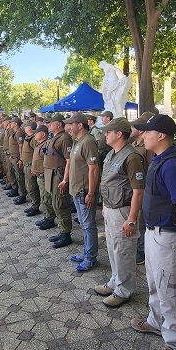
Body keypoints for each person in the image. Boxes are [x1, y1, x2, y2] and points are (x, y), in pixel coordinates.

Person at [129, 114, 176, 350]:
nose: (142, 135)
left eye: (147, 132)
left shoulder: (172, 166)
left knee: (170, 291)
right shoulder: (159, 159)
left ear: (162, 136)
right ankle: (156, 322)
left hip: (169, 236)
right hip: (154, 233)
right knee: (155, 283)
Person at [95, 117, 145, 308]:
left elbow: (138, 191)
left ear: (119, 134)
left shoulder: (131, 157)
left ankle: (124, 290)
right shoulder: (112, 154)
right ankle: (115, 281)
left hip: (124, 210)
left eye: (109, 131)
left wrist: (132, 219)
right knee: (112, 248)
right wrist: (105, 205)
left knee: (123, 250)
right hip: (111, 208)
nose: (105, 135)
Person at [64, 113, 100, 271]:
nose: (68, 127)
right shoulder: (78, 141)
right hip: (77, 190)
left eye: (71, 124)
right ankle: (87, 252)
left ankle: (91, 257)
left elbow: (94, 170)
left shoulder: (88, 141)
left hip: (85, 191)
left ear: (80, 125)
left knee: (88, 225)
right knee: (84, 225)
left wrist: (91, 193)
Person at [37, 113, 74, 247]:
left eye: (51, 123)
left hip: (58, 174)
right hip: (51, 174)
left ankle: (66, 234)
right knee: (54, 202)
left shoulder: (64, 138)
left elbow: (69, 161)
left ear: (58, 124)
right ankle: (61, 229)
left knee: (60, 204)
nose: (48, 125)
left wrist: (65, 180)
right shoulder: (55, 137)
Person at [130, 112, 155, 265]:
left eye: (135, 126)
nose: (131, 128)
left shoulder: (147, 147)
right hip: (134, 189)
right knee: (137, 220)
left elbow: (150, 168)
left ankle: (143, 251)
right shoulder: (134, 145)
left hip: (144, 189)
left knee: (143, 223)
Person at [28, 125, 49, 217]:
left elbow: (48, 162)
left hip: (43, 175)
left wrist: (40, 171)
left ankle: (48, 217)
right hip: (38, 175)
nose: (34, 135)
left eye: (36, 133)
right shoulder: (39, 144)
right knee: (42, 195)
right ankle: (46, 215)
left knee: (46, 197)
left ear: (43, 134)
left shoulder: (46, 145)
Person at [21, 121, 41, 214]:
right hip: (26, 165)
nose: (24, 128)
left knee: (32, 187)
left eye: (25, 127)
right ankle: (33, 204)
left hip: (30, 166)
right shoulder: (28, 138)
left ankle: (35, 206)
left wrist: (34, 167)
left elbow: (36, 154)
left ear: (29, 128)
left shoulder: (33, 139)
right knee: (29, 185)